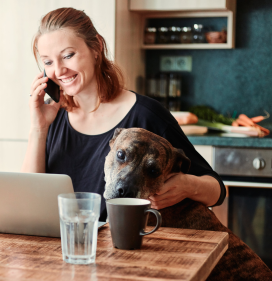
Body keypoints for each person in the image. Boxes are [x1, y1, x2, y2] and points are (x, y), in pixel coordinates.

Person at [21, 7, 225, 222]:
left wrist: (187, 186)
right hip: (59, 247)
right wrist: (38, 128)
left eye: (68, 55)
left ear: (97, 47)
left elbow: (218, 191)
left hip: (122, 251)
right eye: (48, 62)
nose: (59, 70)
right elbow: (27, 199)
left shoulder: (146, 115)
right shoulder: (52, 116)